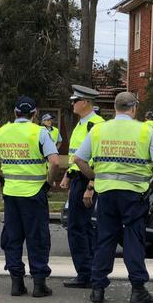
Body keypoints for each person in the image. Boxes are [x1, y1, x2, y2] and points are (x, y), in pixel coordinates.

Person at [74, 92, 153, 303]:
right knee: (134, 239)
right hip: (134, 194)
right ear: (134, 108)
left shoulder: (98, 129)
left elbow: (78, 159)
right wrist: (152, 185)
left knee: (105, 239)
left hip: (106, 192)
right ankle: (138, 290)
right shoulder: (145, 130)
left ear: (115, 108)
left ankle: (97, 288)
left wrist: (94, 177)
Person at [0, 96, 59, 297]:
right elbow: (55, 162)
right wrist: (48, 182)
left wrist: (2, 174)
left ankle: (17, 283)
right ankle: (39, 285)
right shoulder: (40, 132)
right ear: (34, 114)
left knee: (13, 238)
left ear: (15, 113)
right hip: (34, 194)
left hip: (11, 194)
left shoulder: (1, 133)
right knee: (38, 237)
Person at [59, 85, 104, 288]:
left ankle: (86, 273)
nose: (72, 104)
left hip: (88, 180)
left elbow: (98, 157)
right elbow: (77, 155)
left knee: (79, 228)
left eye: (75, 100)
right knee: (81, 227)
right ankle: (88, 272)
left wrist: (91, 185)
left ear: (85, 102)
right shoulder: (81, 124)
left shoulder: (95, 125)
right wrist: (68, 175)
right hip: (79, 179)